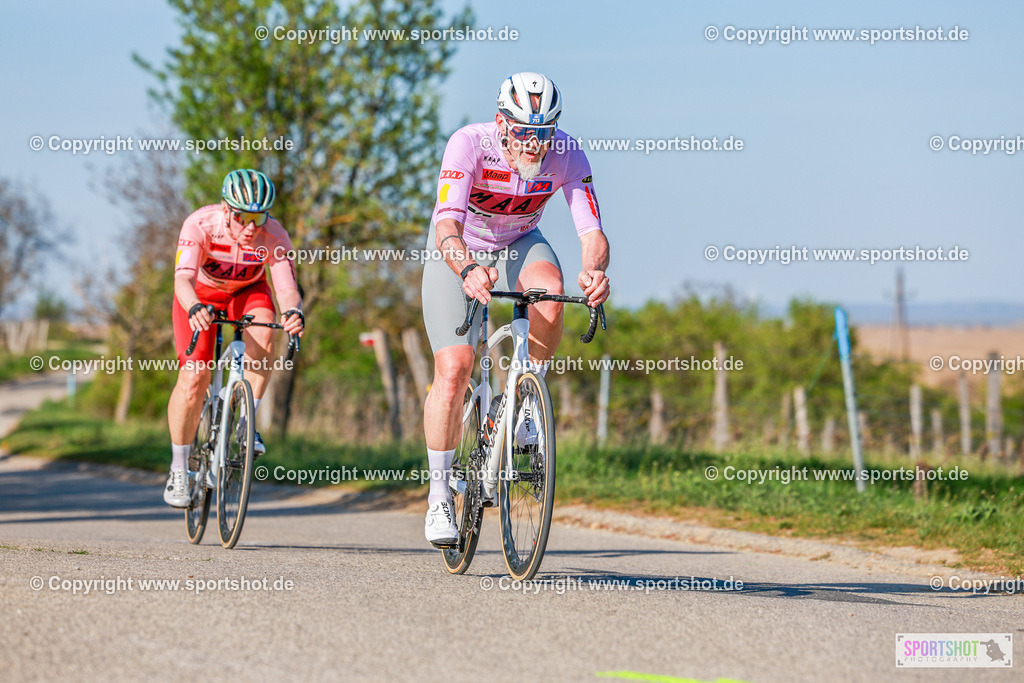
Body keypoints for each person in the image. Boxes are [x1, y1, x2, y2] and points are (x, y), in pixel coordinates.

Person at [420, 72, 611, 545]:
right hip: (461, 246)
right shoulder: (468, 144)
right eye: (525, 131)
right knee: (454, 369)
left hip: (520, 241)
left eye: (544, 133)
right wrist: (466, 267)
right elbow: (446, 225)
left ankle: (526, 402)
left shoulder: (566, 154)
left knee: (552, 288)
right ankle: (439, 495)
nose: (534, 144)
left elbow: (591, 231)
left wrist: (595, 271)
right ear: (502, 123)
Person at [164, 169, 305, 507]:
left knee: (266, 329)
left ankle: (246, 421)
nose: (252, 226)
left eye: (259, 216)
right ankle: (180, 469)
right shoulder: (200, 225)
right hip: (201, 294)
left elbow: (286, 288)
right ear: (227, 210)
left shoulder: (274, 234)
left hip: (248, 291)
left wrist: (294, 313)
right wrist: (195, 306)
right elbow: (182, 279)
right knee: (195, 376)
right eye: (244, 217)